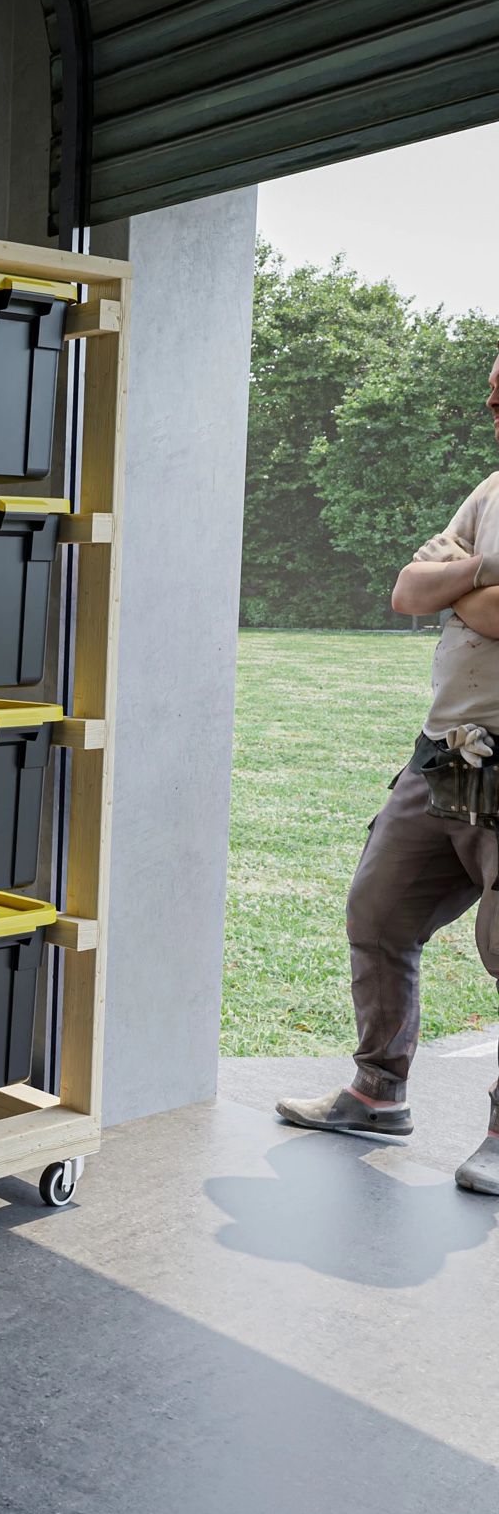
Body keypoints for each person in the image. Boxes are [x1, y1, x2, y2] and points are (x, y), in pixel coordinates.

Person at [278, 348, 499, 1196]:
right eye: (491, 396)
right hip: (443, 756)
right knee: (378, 913)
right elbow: (410, 590)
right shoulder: (490, 491)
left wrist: (459, 585)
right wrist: (481, 571)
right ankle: (377, 1094)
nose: (493, 410)